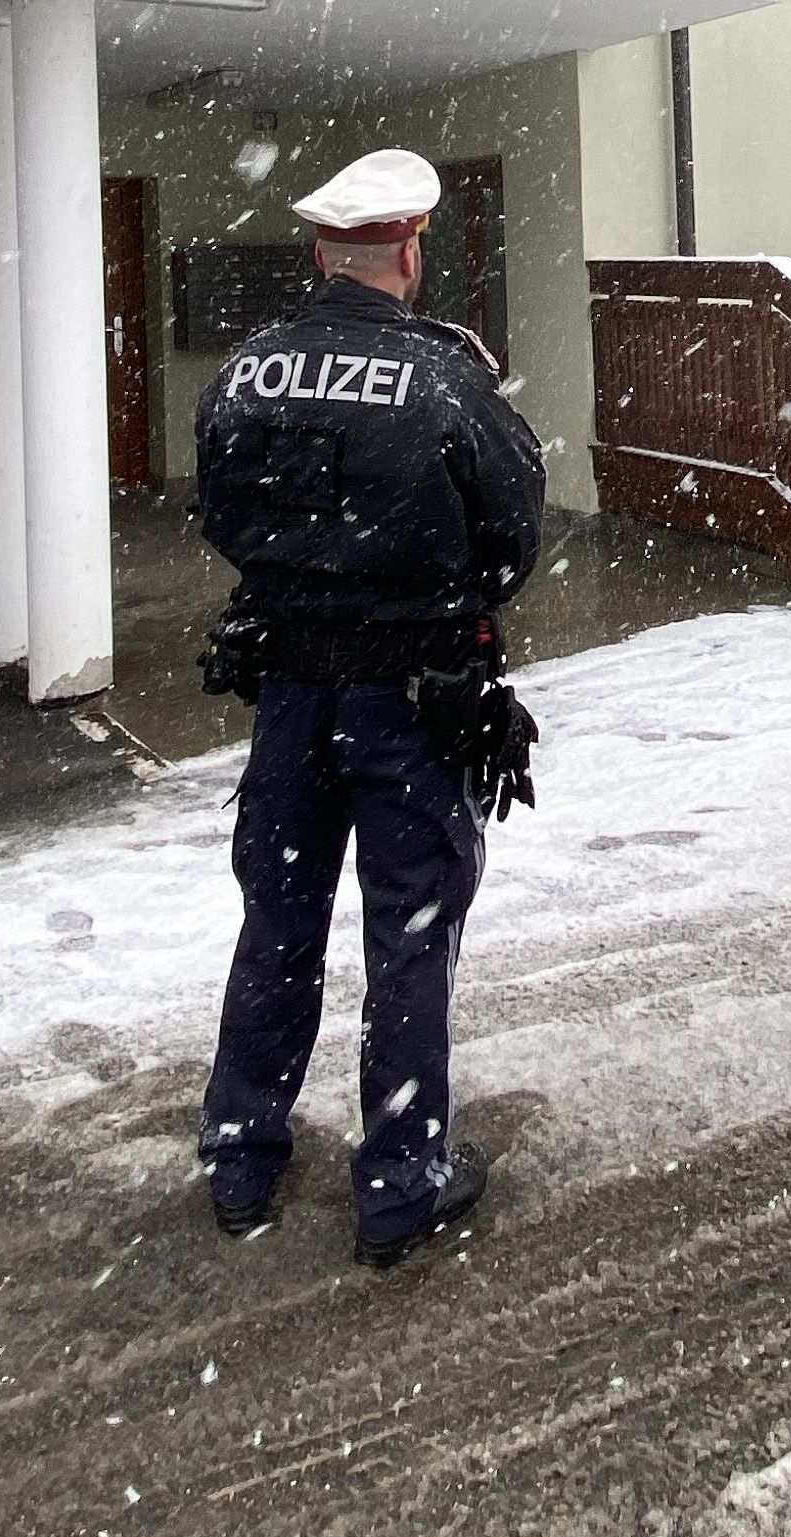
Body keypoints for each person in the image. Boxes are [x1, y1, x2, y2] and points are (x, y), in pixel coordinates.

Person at [194, 145, 546, 1262]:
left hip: (292, 693)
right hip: (411, 699)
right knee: (409, 933)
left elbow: (220, 512)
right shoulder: (444, 378)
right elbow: (511, 534)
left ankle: (242, 1158)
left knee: (278, 923)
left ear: (319, 251)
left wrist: (307, 587)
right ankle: (399, 1181)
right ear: (408, 247)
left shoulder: (248, 370)